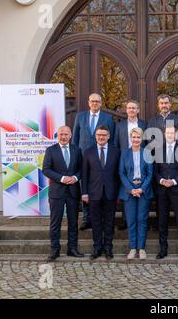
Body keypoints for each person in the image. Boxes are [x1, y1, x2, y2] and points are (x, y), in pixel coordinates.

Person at [72, 93, 115, 231]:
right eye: (92, 101)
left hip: (102, 157)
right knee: (85, 186)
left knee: (100, 187)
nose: (95, 103)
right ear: (88, 102)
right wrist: (75, 157)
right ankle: (86, 219)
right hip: (85, 158)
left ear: (101, 103)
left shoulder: (108, 118)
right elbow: (75, 139)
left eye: (97, 101)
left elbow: (112, 139)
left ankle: (101, 217)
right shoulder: (80, 116)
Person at [42, 126, 84, 261]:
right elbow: (46, 170)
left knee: (73, 222)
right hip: (57, 192)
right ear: (57, 135)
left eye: (66, 134)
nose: (63, 137)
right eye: (61, 134)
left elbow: (81, 169)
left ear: (70, 135)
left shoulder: (76, 150)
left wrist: (76, 178)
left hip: (73, 191)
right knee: (55, 222)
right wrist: (62, 178)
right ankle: (55, 250)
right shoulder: (51, 150)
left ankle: (72, 248)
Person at [82, 125, 120, 260]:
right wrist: (84, 193)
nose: (101, 137)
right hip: (93, 193)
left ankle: (108, 248)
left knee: (109, 222)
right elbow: (85, 174)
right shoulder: (88, 152)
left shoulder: (116, 152)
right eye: (99, 135)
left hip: (111, 193)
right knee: (96, 222)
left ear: (108, 136)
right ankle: (97, 248)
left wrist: (119, 193)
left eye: (104, 135)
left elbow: (118, 174)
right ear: (95, 136)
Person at [147, 94, 178, 231]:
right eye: (161, 103)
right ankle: (160, 225)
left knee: (177, 206)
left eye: (166, 103)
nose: (164, 105)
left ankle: (177, 225)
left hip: (175, 163)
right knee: (160, 202)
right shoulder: (152, 121)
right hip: (158, 163)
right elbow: (149, 142)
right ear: (158, 105)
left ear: (170, 105)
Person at [154, 126, 178, 261]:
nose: (170, 135)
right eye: (167, 133)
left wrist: (174, 181)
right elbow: (155, 171)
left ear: (176, 134)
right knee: (162, 221)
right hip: (162, 190)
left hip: (177, 190)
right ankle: (163, 249)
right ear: (164, 134)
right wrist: (162, 180)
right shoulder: (158, 149)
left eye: (172, 133)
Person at [119, 127, 154, 260]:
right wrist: (130, 189)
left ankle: (142, 248)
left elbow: (150, 174)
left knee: (142, 219)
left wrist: (141, 189)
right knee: (131, 220)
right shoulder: (124, 153)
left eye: (138, 137)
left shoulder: (147, 153)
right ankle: (133, 248)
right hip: (129, 191)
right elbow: (121, 173)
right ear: (130, 138)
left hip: (143, 191)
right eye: (133, 137)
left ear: (141, 138)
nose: (136, 139)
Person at [114, 100, 147, 230]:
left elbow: (147, 143)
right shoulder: (120, 125)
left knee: (140, 188)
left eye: (134, 108)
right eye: (129, 108)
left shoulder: (144, 124)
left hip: (140, 160)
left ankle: (141, 219)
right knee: (126, 189)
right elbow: (116, 144)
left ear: (138, 110)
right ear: (126, 110)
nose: (132, 110)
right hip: (125, 161)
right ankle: (125, 220)